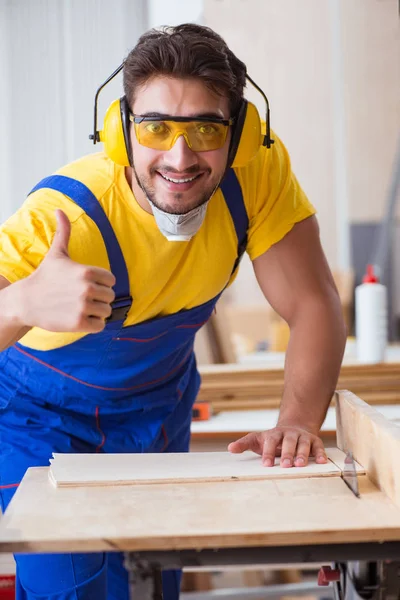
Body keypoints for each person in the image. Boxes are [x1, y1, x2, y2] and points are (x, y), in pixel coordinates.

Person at [0, 23, 346, 600]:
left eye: (206, 128)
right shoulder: (62, 218)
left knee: (153, 581)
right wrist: (22, 302)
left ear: (240, 134)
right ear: (119, 130)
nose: (179, 157)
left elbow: (313, 303)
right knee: (72, 586)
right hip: (40, 420)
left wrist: (299, 422)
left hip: (158, 409)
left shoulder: (255, 173)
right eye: (155, 127)